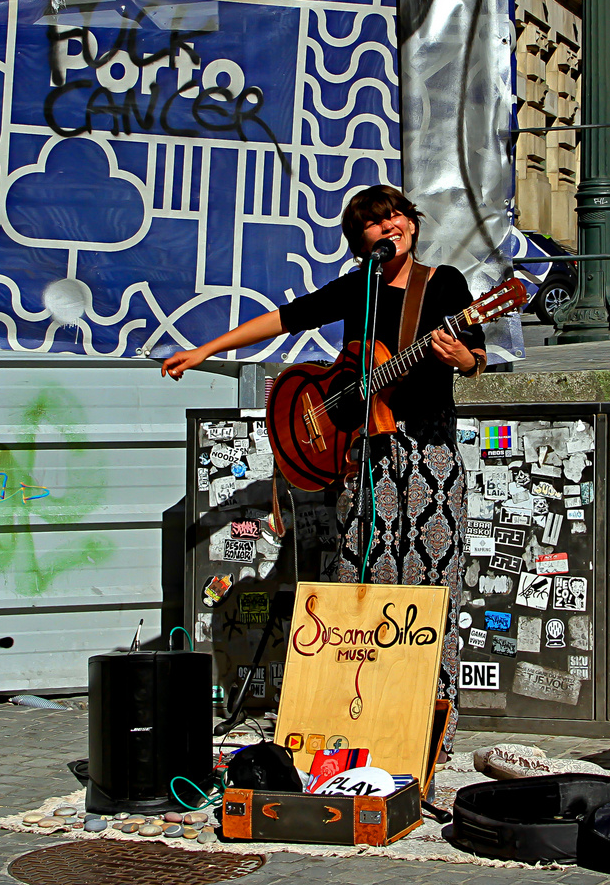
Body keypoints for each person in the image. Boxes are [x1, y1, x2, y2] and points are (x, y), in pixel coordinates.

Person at [161, 185, 487, 754]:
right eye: (373, 223)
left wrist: (457, 356)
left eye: (396, 218)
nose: (389, 228)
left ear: (412, 223)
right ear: (359, 240)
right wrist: (205, 350)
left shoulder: (445, 285)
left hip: (428, 452)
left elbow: (475, 356)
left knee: (430, 587)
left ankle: (428, 730)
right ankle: (361, 718)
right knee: (360, 581)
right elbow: (284, 319)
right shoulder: (358, 288)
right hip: (363, 455)